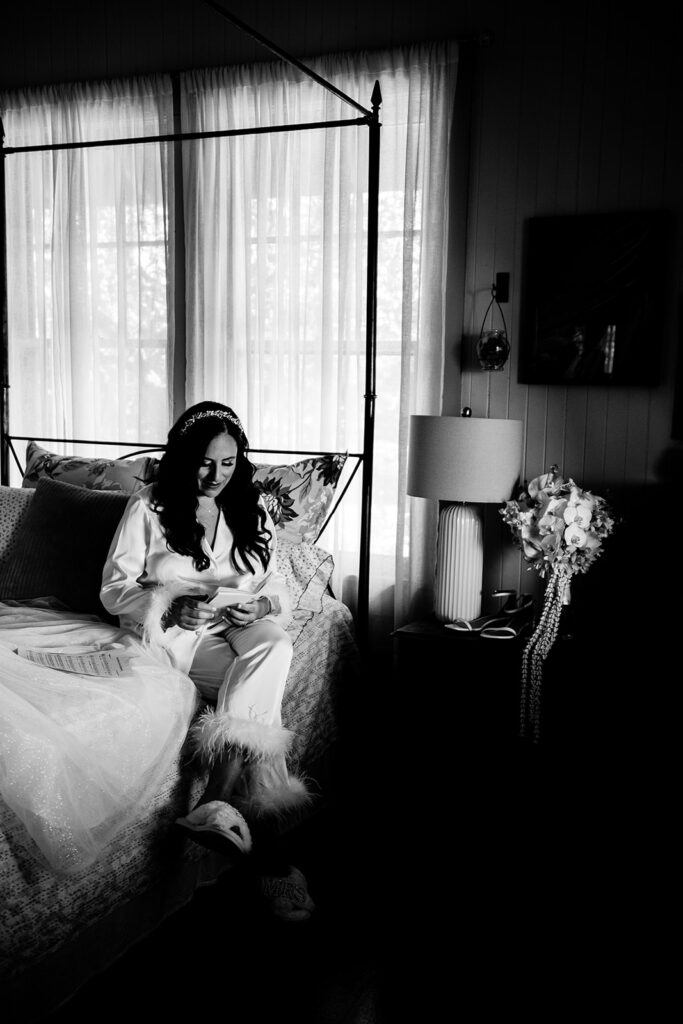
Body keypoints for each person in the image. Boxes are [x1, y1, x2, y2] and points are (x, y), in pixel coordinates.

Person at [100, 401, 315, 920]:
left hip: (241, 623)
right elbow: (114, 588)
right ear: (182, 458)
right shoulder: (149, 506)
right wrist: (170, 604)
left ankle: (219, 796)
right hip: (184, 637)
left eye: (228, 462)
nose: (216, 475)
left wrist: (264, 603)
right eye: (204, 462)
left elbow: (273, 582)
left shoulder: (252, 507)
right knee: (265, 686)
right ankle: (270, 859)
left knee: (275, 644)